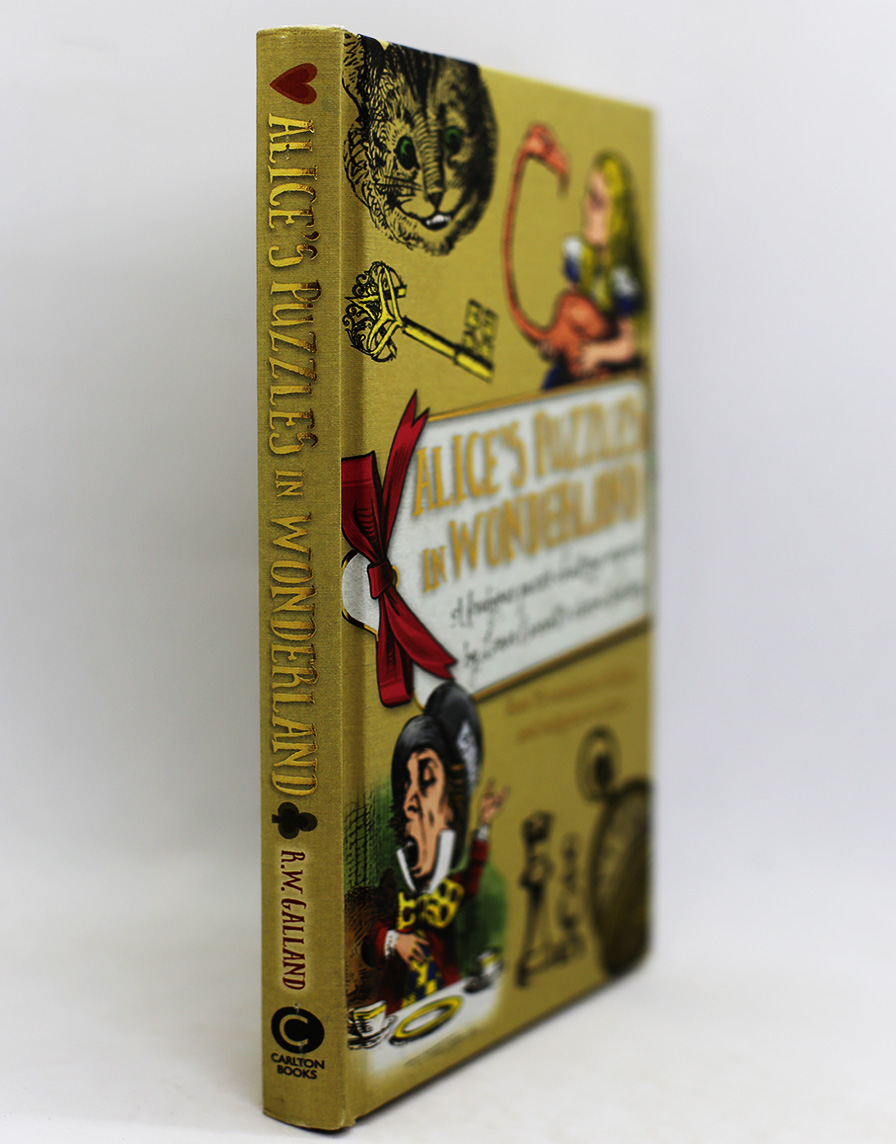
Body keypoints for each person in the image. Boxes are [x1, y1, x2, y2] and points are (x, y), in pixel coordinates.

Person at [363, 683, 508, 1013]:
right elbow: (369, 940)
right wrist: (394, 941)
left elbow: (471, 883)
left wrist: (484, 827)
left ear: (451, 814)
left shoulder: (449, 888)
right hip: (397, 1013)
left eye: (427, 781)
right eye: (406, 784)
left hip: (445, 1001)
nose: (410, 802)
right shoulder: (392, 890)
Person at [543, 151, 647, 389]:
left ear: (617, 216)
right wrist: (556, 338)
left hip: (606, 364)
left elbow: (629, 345)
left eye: (597, 202)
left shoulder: (622, 276)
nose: (586, 207)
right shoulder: (579, 256)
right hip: (578, 354)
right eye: (588, 197)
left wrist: (598, 353)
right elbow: (571, 309)